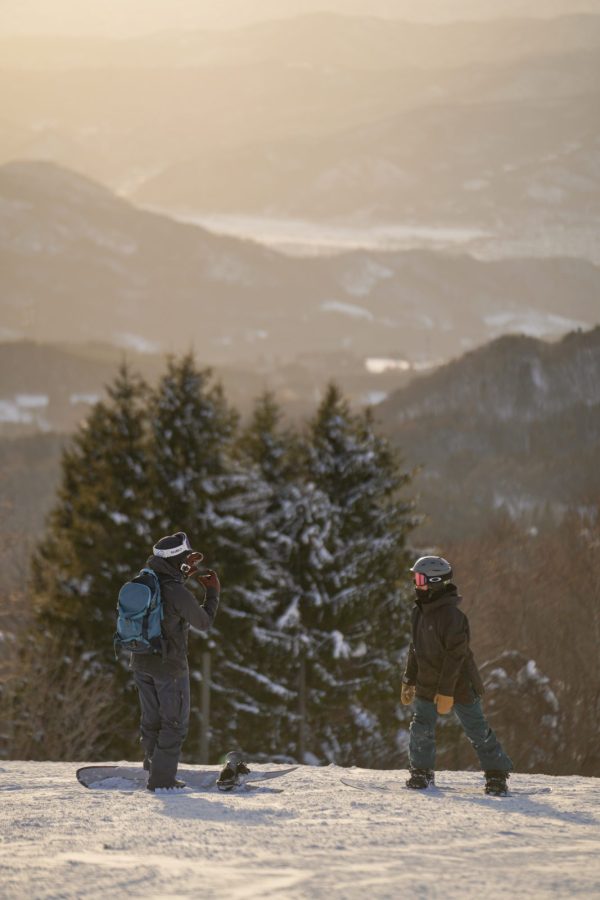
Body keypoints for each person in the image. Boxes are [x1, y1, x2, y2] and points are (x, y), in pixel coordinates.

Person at [401, 555, 513, 795]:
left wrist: (446, 692)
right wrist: (409, 679)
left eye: (419, 579)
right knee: (421, 727)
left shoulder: (453, 617)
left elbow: (456, 657)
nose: (415, 584)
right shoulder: (417, 613)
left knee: (476, 729)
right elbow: (415, 647)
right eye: (415, 579)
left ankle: (496, 774)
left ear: (434, 582)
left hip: (459, 683)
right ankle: (421, 772)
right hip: (427, 680)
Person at [130, 531, 220, 791]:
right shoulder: (175, 590)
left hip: (141, 662)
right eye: (187, 559)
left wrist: (182, 576)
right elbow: (203, 622)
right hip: (169, 667)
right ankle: (162, 780)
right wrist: (212, 593)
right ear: (175, 559)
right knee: (174, 723)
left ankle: (153, 767)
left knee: (151, 720)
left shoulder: (144, 581)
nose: (190, 563)